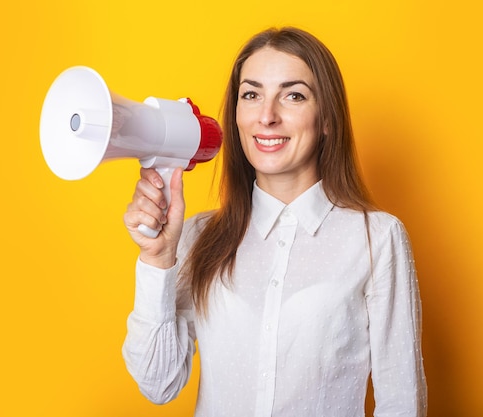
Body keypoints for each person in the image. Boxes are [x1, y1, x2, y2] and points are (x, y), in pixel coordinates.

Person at [122, 27, 427, 417]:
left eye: (293, 95)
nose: (267, 116)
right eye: (251, 95)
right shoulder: (197, 236)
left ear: (327, 119)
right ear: (236, 116)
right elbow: (158, 383)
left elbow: (401, 403)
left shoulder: (377, 238)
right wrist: (158, 258)